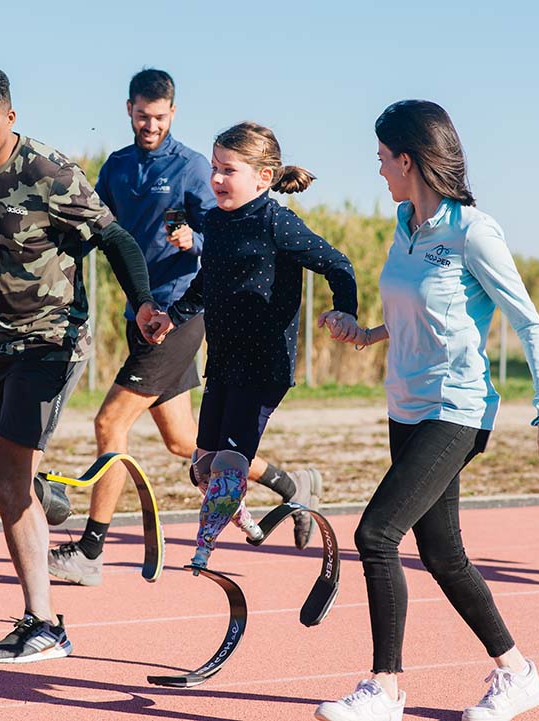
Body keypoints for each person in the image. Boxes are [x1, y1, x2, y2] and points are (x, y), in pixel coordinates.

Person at [314, 100, 539, 721]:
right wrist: (366, 333)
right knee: (443, 553)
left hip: (457, 409)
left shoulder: (472, 231)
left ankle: (385, 689)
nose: (378, 169)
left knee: (376, 535)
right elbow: (418, 312)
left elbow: (528, 323)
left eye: (382, 158)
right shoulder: (404, 225)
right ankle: (518, 673)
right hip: (405, 406)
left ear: (408, 159)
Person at [0, 65, 161, 664]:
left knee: (10, 475)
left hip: (52, 342)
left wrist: (144, 301)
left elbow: (115, 238)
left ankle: (44, 624)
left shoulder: (49, 172)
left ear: (10, 118)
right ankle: (50, 498)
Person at [47, 71, 323, 588]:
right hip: (141, 315)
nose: (150, 125)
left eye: (159, 116)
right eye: (142, 116)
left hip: (178, 314)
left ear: (172, 113)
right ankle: (294, 485)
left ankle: (90, 551)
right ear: (129, 110)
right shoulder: (118, 166)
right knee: (186, 444)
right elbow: (94, 226)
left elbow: (229, 232)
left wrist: (191, 242)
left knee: (109, 424)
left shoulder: (194, 167)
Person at [145, 121, 359, 569]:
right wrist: (173, 316)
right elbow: (208, 281)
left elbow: (338, 264)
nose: (216, 178)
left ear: (263, 177)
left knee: (228, 464)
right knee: (202, 468)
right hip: (224, 360)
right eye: (215, 168)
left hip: (264, 364)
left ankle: (204, 549)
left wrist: (345, 311)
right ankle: (243, 515)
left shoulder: (276, 221)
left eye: (229, 170)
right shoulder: (215, 222)